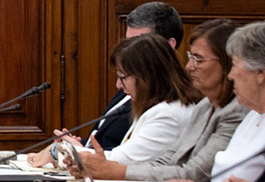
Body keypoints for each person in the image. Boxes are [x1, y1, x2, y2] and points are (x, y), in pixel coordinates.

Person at [72, 19, 245, 182]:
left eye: (198, 59)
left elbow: (194, 174)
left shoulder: (235, 112)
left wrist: (115, 171)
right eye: (190, 57)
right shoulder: (205, 106)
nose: (189, 66)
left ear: (228, 64)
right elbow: (169, 159)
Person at [33, 33, 201, 168]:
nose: (118, 85)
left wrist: (65, 150)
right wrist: (76, 151)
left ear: (146, 77)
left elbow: (119, 161)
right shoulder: (155, 107)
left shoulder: (167, 115)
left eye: (122, 77)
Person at [152, 21, 265, 182]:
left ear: (260, 72)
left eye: (235, 66)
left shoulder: (239, 111)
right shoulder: (253, 115)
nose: (231, 75)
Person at [94, 2, 185, 151]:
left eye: (138, 43)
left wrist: (72, 152)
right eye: (128, 41)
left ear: (167, 45)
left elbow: (126, 157)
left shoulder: (165, 102)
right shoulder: (128, 87)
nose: (129, 49)